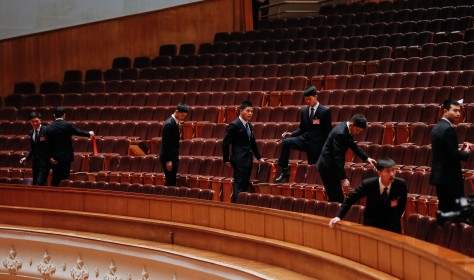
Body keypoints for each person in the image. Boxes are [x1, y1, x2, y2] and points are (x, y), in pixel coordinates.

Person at [329, 158, 407, 234]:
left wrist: (395, 217)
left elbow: (402, 204)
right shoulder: (368, 184)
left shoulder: (401, 184)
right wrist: (339, 216)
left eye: (393, 170)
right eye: (387, 171)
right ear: (379, 173)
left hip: (393, 227)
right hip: (372, 225)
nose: (392, 174)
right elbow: (350, 199)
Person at [274, 85, 332, 183]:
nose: (308, 101)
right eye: (306, 99)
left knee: (315, 168)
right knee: (286, 142)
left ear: (316, 97)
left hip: (317, 144)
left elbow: (328, 132)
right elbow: (302, 128)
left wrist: (327, 148)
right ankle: (285, 171)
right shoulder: (304, 111)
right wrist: (291, 133)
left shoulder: (325, 111)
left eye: (309, 99)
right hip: (305, 139)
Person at [317, 114, 377, 202]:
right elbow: (338, 158)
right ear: (352, 124)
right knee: (337, 198)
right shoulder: (341, 134)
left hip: (330, 165)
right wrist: (343, 179)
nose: (357, 133)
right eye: (357, 130)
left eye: (360, 131)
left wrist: (366, 158)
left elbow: (352, 144)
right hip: (327, 167)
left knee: (335, 197)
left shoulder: (346, 126)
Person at [430, 100, 472, 212]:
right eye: (455, 110)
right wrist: (467, 150)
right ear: (445, 111)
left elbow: (446, 152)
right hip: (450, 179)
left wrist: (460, 150)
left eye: (459, 111)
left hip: (440, 178)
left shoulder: (437, 127)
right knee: (456, 213)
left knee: (445, 212)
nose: (458, 114)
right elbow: (454, 154)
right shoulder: (448, 129)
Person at [222, 101, 264, 203]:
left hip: (247, 160)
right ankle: (235, 208)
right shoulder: (234, 125)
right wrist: (226, 159)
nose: (250, 113)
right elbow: (225, 143)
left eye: (252, 111)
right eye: (248, 111)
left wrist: (259, 157)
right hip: (239, 160)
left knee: (244, 185)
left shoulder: (249, 125)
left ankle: (241, 206)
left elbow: (252, 143)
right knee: (239, 185)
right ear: (241, 111)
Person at [45, 106, 94, 186]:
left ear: (54, 115)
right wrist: (89, 134)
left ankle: (53, 196)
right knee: (64, 179)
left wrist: (50, 157)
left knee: (55, 178)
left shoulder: (48, 127)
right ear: (64, 115)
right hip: (65, 158)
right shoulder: (67, 125)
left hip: (54, 159)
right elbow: (78, 132)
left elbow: (46, 144)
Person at [160, 103, 189, 186]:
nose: (183, 117)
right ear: (177, 112)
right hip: (168, 159)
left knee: (171, 180)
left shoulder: (174, 122)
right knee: (170, 181)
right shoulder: (169, 124)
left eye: (184, 116)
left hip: (172, 157)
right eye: (182, 115)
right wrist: (168, 161)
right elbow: (166, 144)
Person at [20, 111, 50, 186]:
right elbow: (33, 148)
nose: (35, 123)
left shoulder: (46, 130)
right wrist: (26, 158)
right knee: (35, 184)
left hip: (44, 162)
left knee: (39, 184)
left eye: (36, 121)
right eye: (33, 121)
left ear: (40, 120)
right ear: (30, 122)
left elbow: (50, 146)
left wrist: (51, 157)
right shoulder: (31, 132)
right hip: (35, 163)